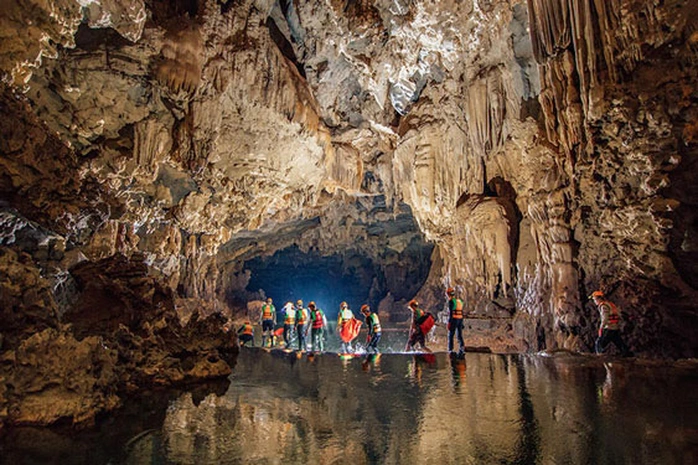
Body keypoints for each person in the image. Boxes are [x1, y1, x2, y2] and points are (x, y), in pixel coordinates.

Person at [591, 290, 631, 356]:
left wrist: (601, 327)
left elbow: (605, 318)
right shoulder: (610, 304)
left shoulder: (603, 306)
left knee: (599, 343)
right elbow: (619, 314)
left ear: (599, 299)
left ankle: (600, 356)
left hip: (609, 327)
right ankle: (627, 354)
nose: (594, 301)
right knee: (619, 342)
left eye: (594, 299)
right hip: (615, 327)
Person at [446, 287, 465, 354]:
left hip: (454, 319)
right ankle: (462, 347)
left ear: (448, 294)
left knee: (451, 335)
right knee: (459, 335)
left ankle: (450, 349)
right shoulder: (460, 301)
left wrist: (449, 322)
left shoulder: (451, 301)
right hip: (460, 319)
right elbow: (461, 312)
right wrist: (462, 323)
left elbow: (451, 313)